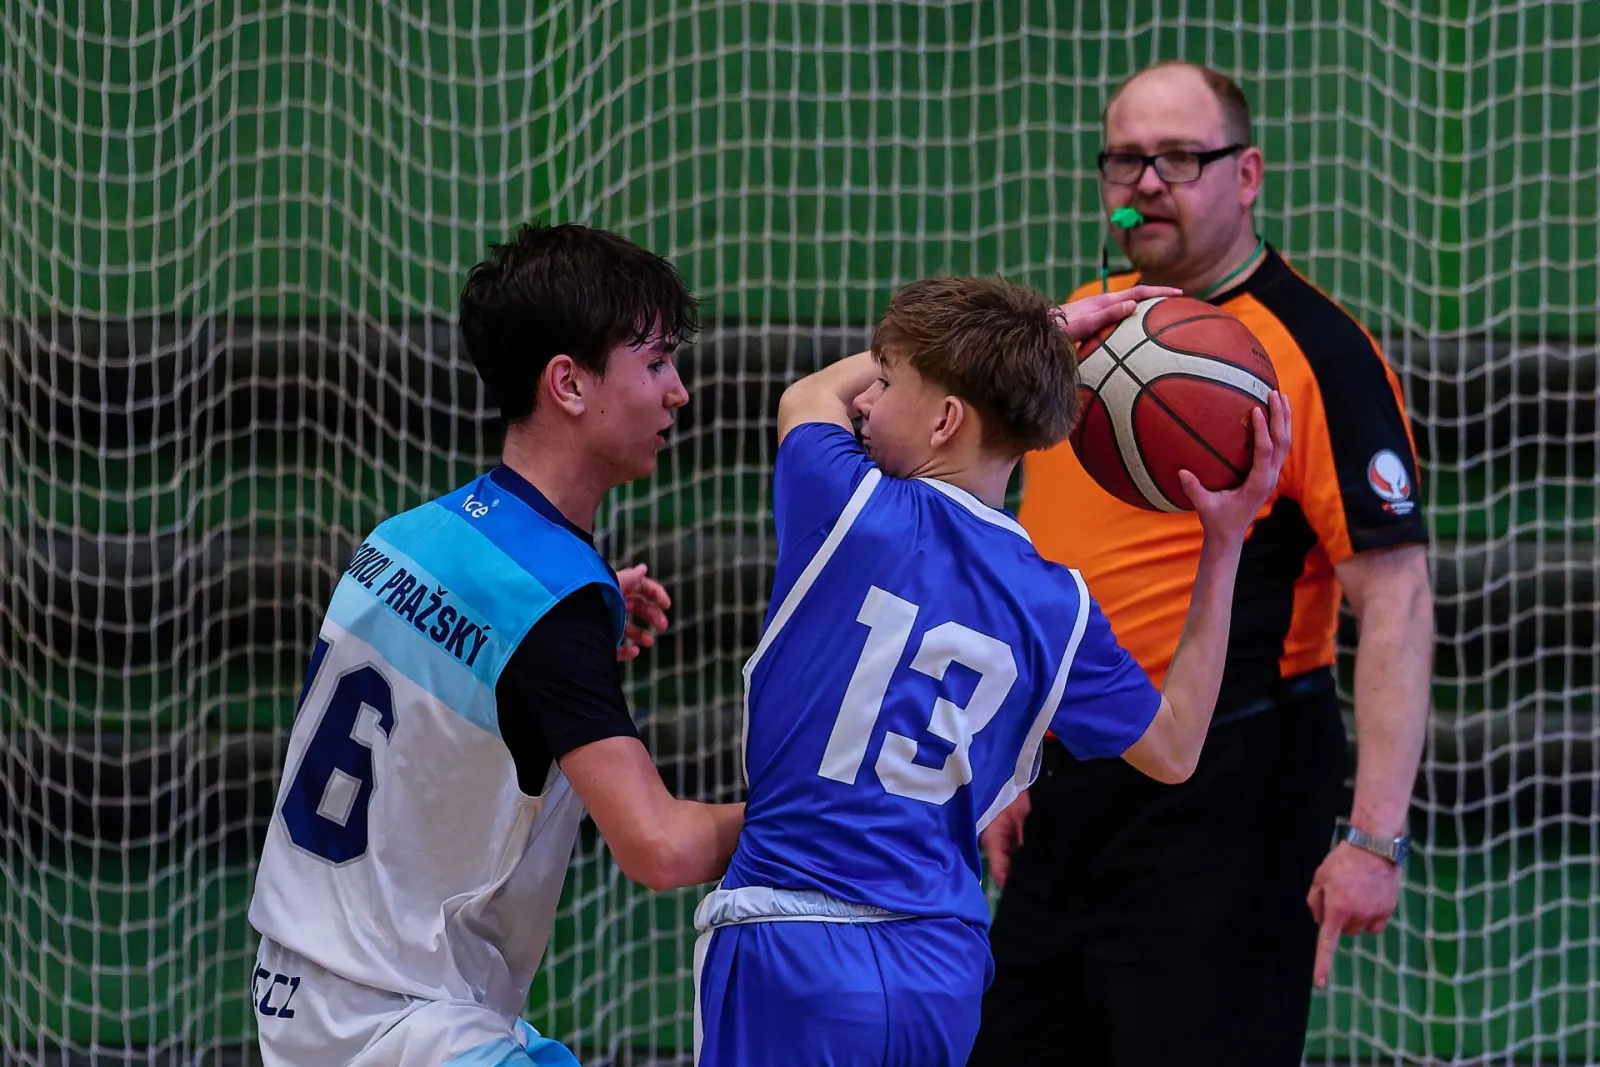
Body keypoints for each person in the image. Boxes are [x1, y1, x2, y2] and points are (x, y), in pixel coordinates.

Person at [691, 275, 1291, 1066]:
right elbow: (1176, 748)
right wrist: (1226, 541)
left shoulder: (846, 506)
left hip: (794, 936)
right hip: (940, 967)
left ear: (946, 420)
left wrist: (1050, 325)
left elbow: (807, 396)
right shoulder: (1059, 604)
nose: (865, 399)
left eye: (887, 379)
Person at [969, 62, 1435, 1067]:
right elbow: (1027, 558)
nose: (1146, 183)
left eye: (1179, 158)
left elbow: (1395, 598)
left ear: (1247, 173)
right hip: (1070, 780)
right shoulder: (1077, 324)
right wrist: (1007, 759)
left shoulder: (1317, 350)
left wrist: (1373, 835)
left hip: (1232, 786)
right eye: (1125, 159)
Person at [247, 223, 746, 1067]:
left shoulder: (410, 537)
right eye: (657, 362)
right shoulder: (547, 609)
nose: (678, 392)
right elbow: (659, 846)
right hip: (405, 1024)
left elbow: (468, 670)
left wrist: (574, 623)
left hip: (298, 994)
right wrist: (819, 815)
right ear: (569, 383)